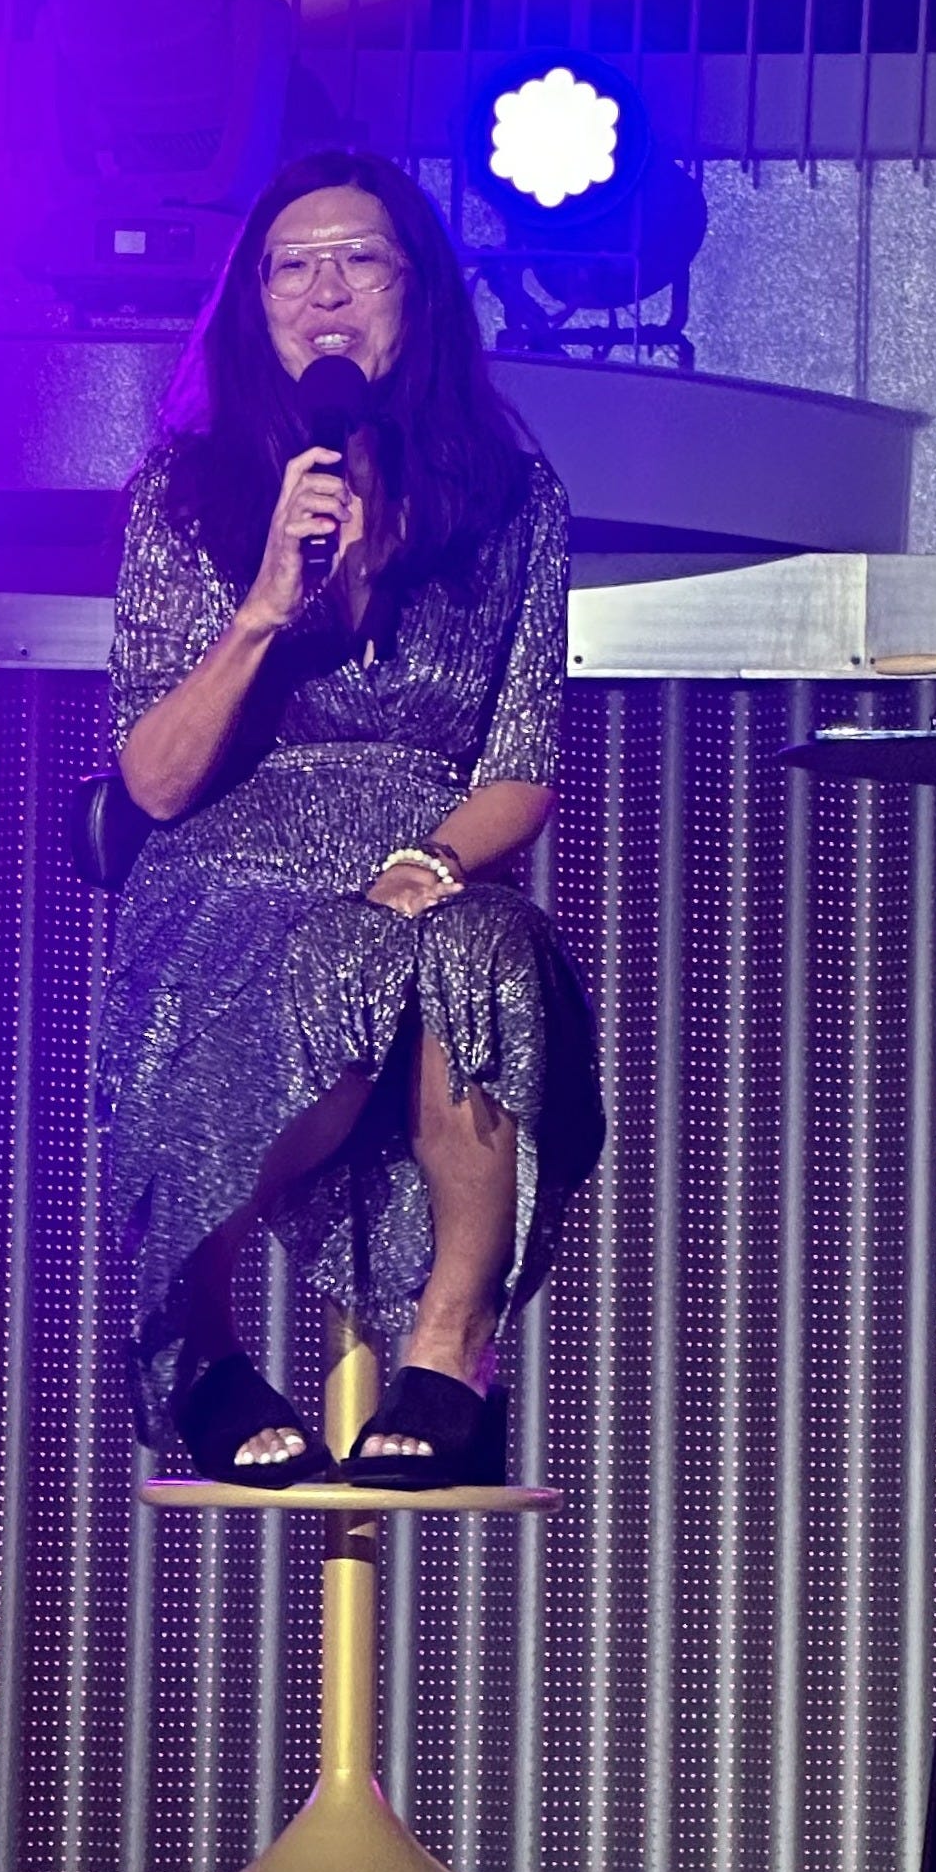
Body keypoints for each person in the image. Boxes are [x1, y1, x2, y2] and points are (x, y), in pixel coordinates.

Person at [100, 149, 604, 1489]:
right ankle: (202, 1347)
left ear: (415, 292)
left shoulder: (513, 502)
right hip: (233, 864)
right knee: (308, 949)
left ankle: (451, 1351)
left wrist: (431, 860)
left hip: (425, 860)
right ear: (255, 302)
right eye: (293, 268)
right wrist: (266, 605)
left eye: (360, 262)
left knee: (487, 946)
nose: (326, 293)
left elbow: (523, 761)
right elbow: (152, 782)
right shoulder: (187, 492)